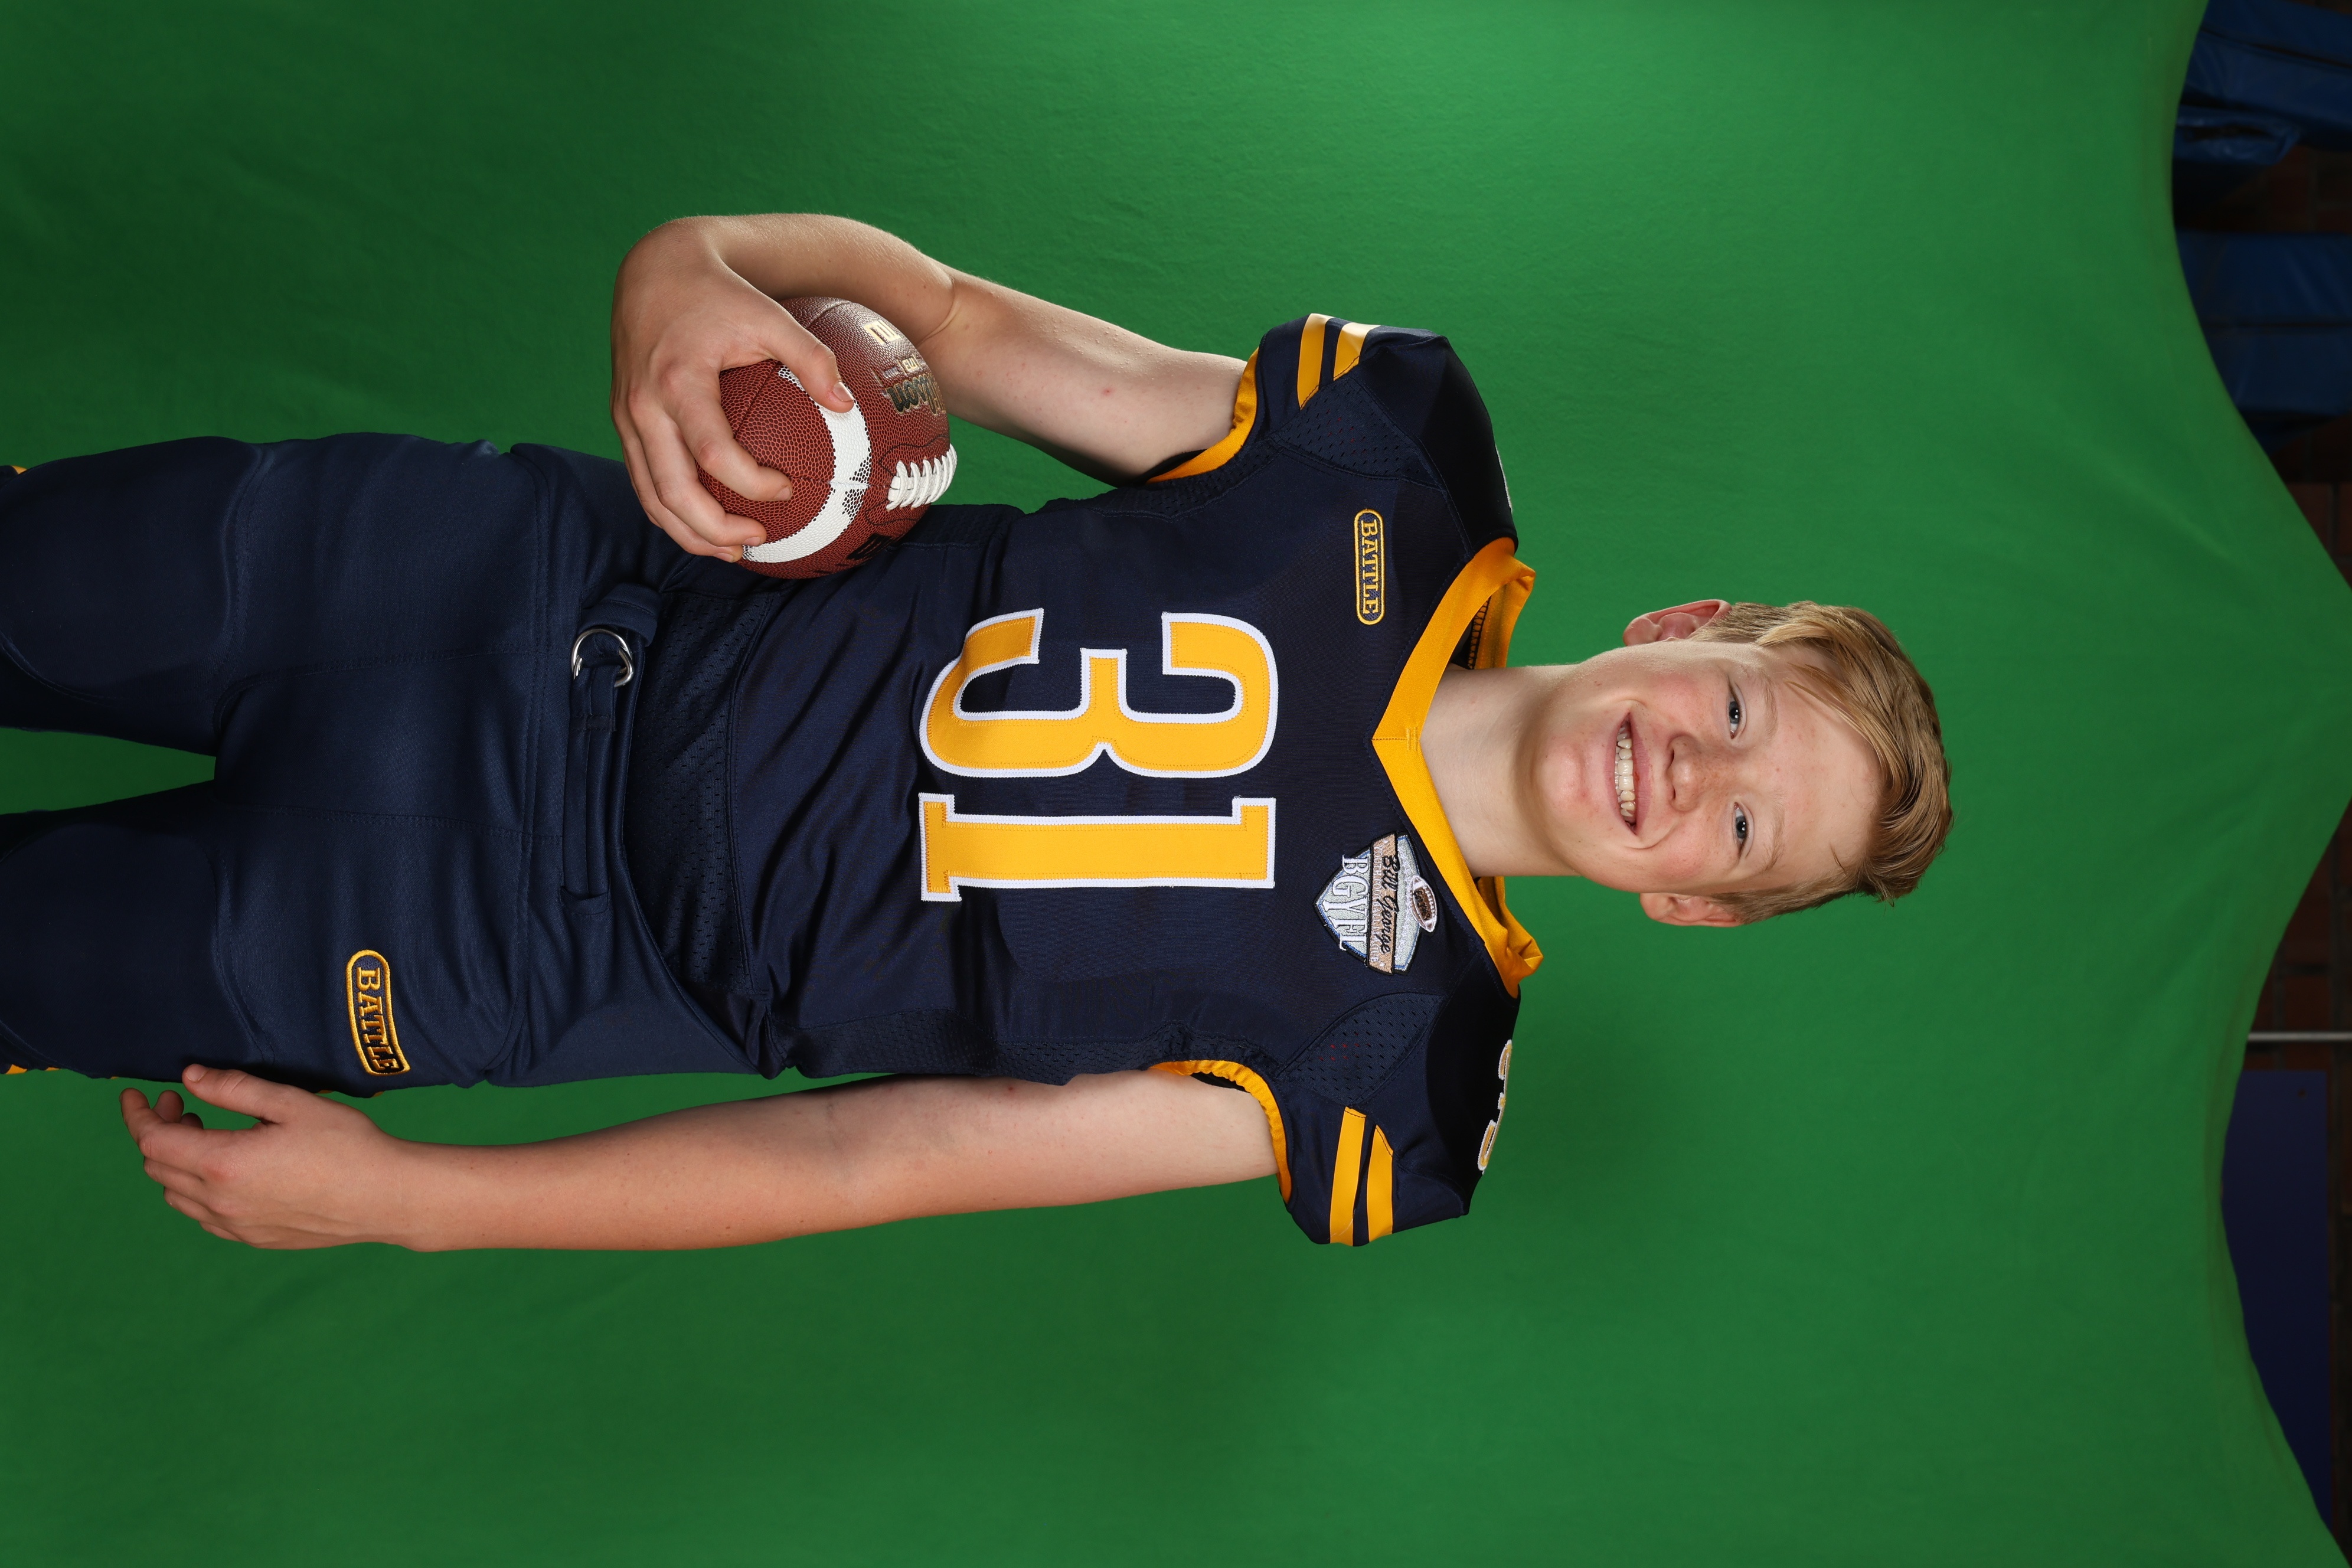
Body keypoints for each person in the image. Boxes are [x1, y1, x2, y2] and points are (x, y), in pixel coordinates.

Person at [0, 215, 1951, 1251]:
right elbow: (941, 314)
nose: (1694, 773)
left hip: (519, 944)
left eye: (1744, 829)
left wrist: (423, 1209)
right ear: (1684, 628)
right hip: (506, 580)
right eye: (1737, 709)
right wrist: (688, 268)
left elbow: (875, 1158)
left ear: (1698, 909)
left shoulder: (1389, 1069)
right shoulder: (1383, 465)